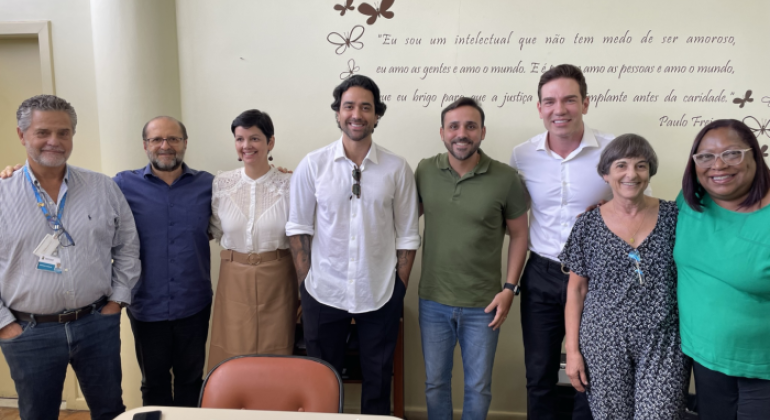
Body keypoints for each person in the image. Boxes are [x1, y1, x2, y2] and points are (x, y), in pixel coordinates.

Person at [0, 94, 140, 419]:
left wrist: (116, 302)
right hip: (28, 331)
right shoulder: (3, 194)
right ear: (22, 136)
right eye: (43, 132)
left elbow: (128, 247)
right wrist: (5, 326)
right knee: (38, 414)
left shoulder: (103, 188)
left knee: (110, 410)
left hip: (96, 324)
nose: (55, 141)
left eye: (64, 132)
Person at [286, 75, 420, 415]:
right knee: (321, 379)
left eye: (366, 107)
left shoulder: (396, 168)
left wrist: (398, 289)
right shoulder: (313, 165)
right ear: (337, 112)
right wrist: (306, 285)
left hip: (380, 292)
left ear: (377, 115)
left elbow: (407, 234)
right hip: (323, 291)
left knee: (378, 379)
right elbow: (298, 227)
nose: (356, 114)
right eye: (349, 106)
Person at [560, 134, 690, 419]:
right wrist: (572, 351)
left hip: (663, 340)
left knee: (660, 415)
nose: (631, 174)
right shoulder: (588, 225)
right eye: (621, 165)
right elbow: (576, 291)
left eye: (640, 166)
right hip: (603, 341)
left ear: (649, 173)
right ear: (606, 174)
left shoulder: (674, 216)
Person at [415, 97, 529, 420]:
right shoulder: (425, 170)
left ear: (482, 131)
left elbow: (520, 234)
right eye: (453, 126)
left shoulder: (505, 178)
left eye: (470, 126)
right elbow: (398, 218)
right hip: (433, 302)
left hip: (484, 305)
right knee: (435, 384)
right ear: (442, 132)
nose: (461, 133)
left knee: (478, 387)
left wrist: (509, 289)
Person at [509, 63, 610, 420]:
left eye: (569, 100)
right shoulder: (521, 156)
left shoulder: (613, 152)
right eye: (549, 102)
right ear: (539, 108)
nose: (559, 109)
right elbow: (514, 217)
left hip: (597, 277)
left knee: (591, 373)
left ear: (585, 103)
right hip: (542, 273)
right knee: (539, 373)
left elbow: (635, 209)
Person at [113, 116, 213, 407]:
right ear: (145, 145)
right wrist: (22, 172)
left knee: (191, 381)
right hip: (146, 305)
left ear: (184, 143)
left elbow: (246, 196)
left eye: (173, 139)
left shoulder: (208, 184)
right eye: (156, 139)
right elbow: (82, 195)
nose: (165, 146)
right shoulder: (122, 184)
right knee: (154, 384)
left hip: (194, 304)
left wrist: (280, 173)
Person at [676, 119, 770, 419]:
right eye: (705, 156)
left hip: (761, 366)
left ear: (754, 155)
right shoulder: (691, 203)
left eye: (731, 154)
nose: (718, 165)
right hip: (704, 357)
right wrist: (609, 214)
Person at [207, 109, 297, 371]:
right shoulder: (222, 183)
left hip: (279, 277)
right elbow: (216, 229)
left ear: (270, 142)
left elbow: (302, 236)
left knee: (276, 351)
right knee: (233, 353)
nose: (246, 145)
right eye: (240, 138)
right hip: (233, 275)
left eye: (255, 138)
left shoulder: (291, 184)